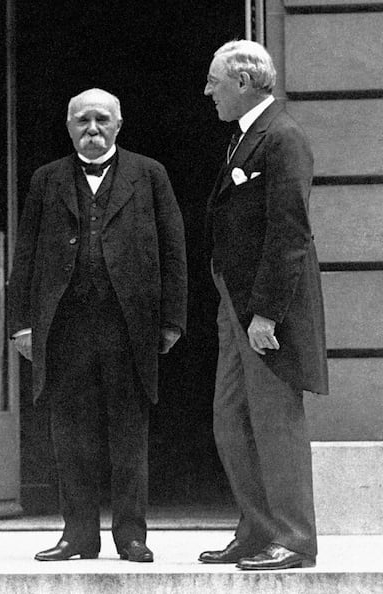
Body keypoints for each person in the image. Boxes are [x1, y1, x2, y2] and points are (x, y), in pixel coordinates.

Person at [7, 88, 187, 563]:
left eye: (102, 120)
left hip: (129, 326)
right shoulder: (46, 180)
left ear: (118, 125)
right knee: (70, 434)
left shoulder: (150, 175)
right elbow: (24, 255)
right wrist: (22, 324)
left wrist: (171, 320)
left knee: (129, 433)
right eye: (83, 121)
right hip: (64, 328)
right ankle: (78, 536)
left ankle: (131, 535)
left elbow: (173, 250)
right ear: (69, 127)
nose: (92, 129)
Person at [200, 40, 328, 570]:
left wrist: (267, 314)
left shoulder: (282, 136)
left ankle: (294, 539)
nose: (207, 91)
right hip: (236, 304)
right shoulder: (245, 137)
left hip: (265, 312)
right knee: (230, 420)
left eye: (213, 81)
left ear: (244, 82)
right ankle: (257, 528)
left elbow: (289, 233)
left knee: (275, 423)